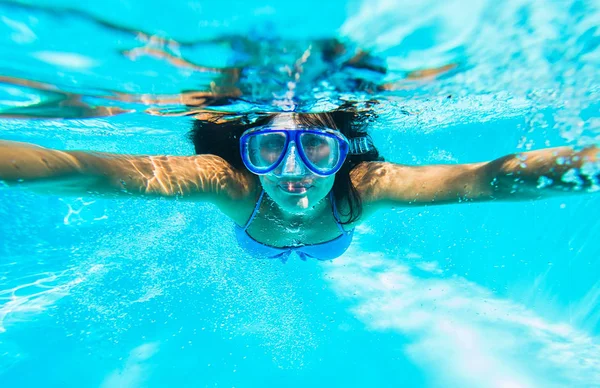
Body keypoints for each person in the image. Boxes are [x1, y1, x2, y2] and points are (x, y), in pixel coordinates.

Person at [0, 106, 598, 262]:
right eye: (267, 149)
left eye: (315, 148)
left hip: (330, 241)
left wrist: (582, 165)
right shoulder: (228, 185)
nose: (292, 171)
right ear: (247, 155)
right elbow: (87, 173)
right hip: (258, 239)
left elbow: (482, 180)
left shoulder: (364, 188)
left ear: (341, 154)